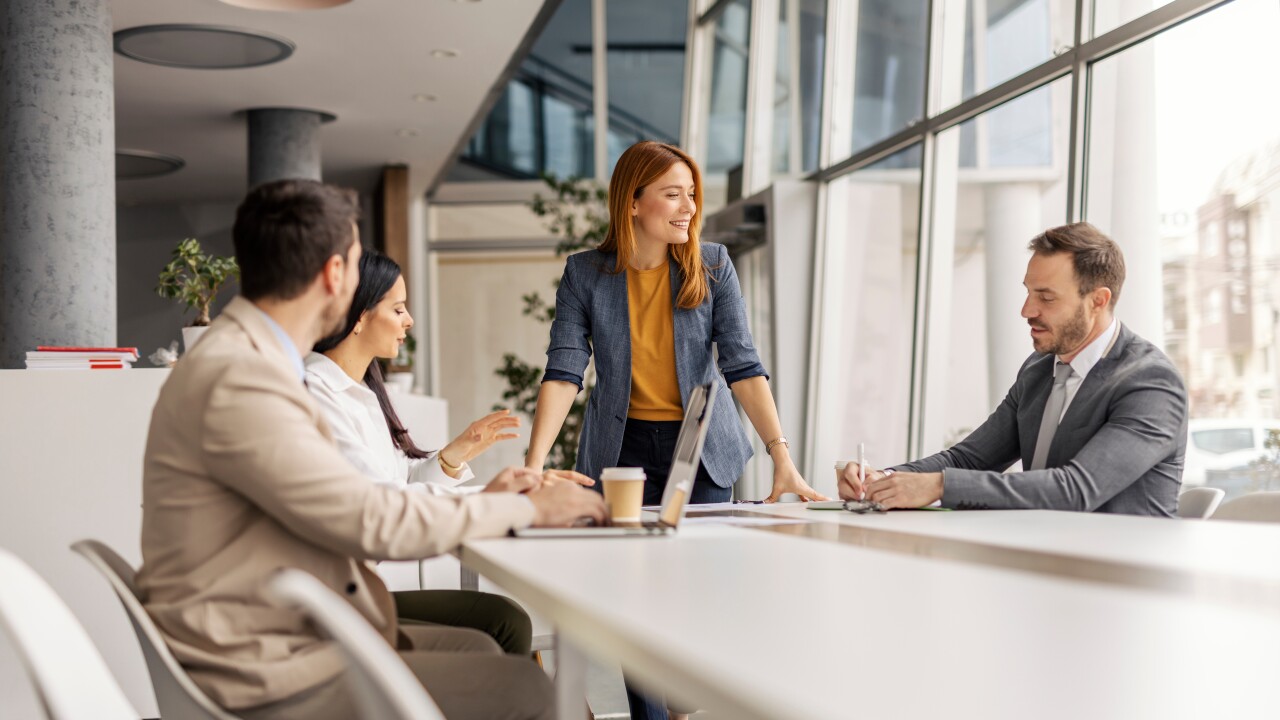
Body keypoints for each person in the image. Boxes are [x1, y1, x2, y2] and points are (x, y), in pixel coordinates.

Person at [138, 179, 606, 720]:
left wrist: (497, 495)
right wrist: (523, 508)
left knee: (485, 648)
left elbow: (353, 501)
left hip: (271, 625)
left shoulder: (246, 360)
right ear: (335, 274)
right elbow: (368, 518)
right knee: (525, 690)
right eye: (359, 263)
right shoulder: (242, 378)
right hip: (262, 661)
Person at [524, 140, 826, 720]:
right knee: (632, 606)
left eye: (692, 194)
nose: (688, 208)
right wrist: (535, 465)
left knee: (700, 608)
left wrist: (781, 457)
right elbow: (565, 370)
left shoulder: (711, 264)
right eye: (672, 195)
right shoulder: (585, 273)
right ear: (632, 201)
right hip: (621, 456)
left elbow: (742, 363)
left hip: (702, 454)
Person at [306, 250, 595, 656]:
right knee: (503, 629)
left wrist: (454, 455)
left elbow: (398, 483)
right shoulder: (318, 395)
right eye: (399, 308)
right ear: (358, 316)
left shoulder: (362, 394)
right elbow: (383, 504)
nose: (408, 321)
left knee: (508, 620)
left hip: (358, 589)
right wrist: (499, 498)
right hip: (336, 604)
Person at [839, 222, 1187, 517]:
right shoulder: (1039, 369)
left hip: (1125, 581)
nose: (1027, 310)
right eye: (1029, 293)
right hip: (1045, 562)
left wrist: (940, 485)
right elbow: (972, 458)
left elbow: (1078, 489)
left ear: (1098, 300)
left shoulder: (1150, 383)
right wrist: (881, 480)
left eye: (1046, 298)